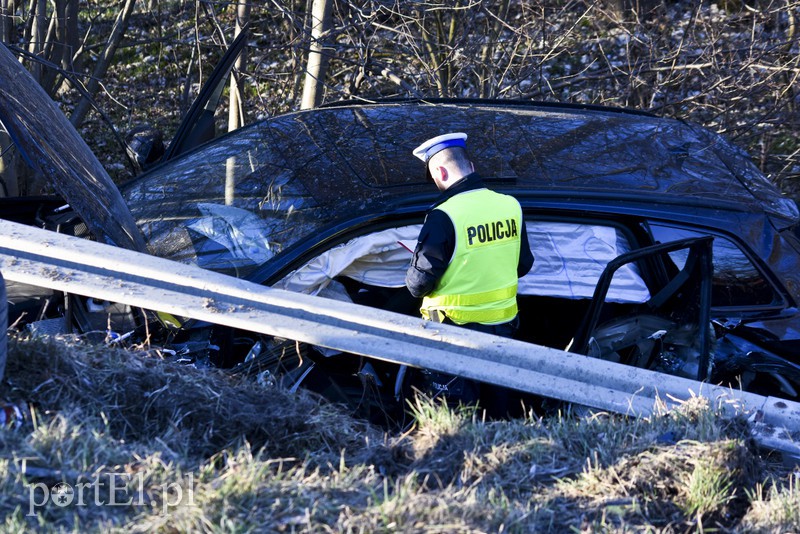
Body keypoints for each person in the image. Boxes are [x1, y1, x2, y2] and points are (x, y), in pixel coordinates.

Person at [405, 132, 534, 412]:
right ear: (471, 167)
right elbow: (523, 265)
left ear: (439, 171)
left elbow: (418, 285)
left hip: (453, 334)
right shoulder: (510, 205)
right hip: (504, 331)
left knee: (455, 416)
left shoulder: (444, 215)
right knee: (498, 411)